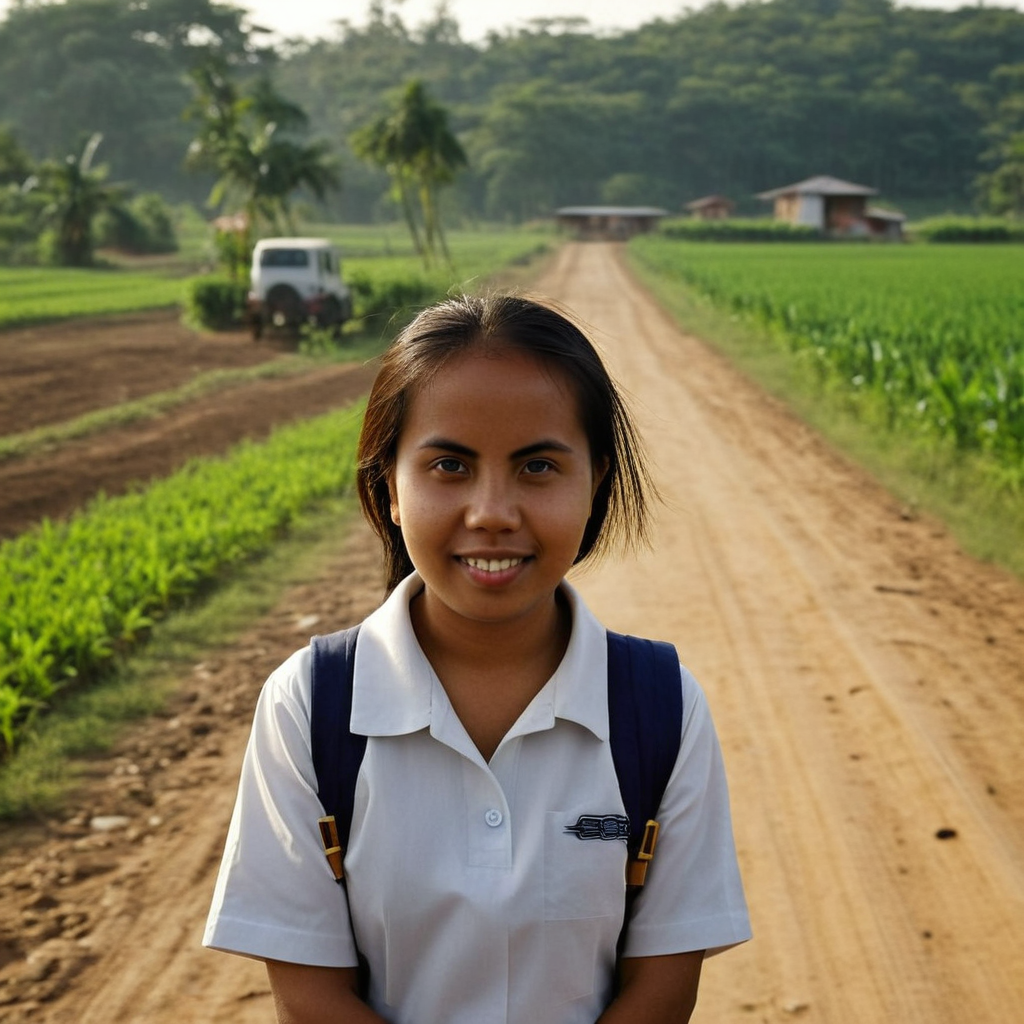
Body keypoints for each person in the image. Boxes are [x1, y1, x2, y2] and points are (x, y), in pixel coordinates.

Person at [203, 294, 751, 1024]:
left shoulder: (659, 707)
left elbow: (661, 989)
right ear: (388, 488)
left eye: (538, 467)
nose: (492, 511)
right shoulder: (310, 706)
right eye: (450, 465)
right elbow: (311, 999)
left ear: (596, 485)